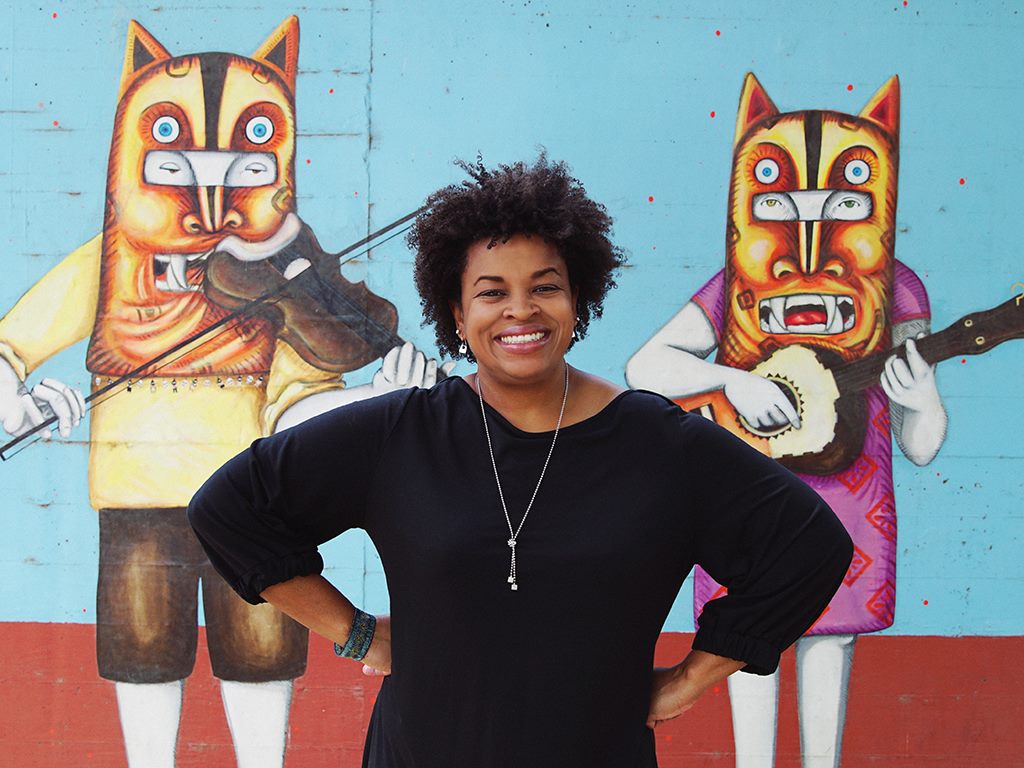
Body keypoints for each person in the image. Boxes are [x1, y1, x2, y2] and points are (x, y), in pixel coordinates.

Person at [188, 155, 854, 767]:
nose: (520, 311)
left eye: (545, 287)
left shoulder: (660, 445)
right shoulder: (400, 435)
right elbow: (228, 509)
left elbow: (810, 548)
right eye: (491, 292)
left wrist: (691, 678)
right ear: (456, 311)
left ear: (577, 300)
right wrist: (354, 632)